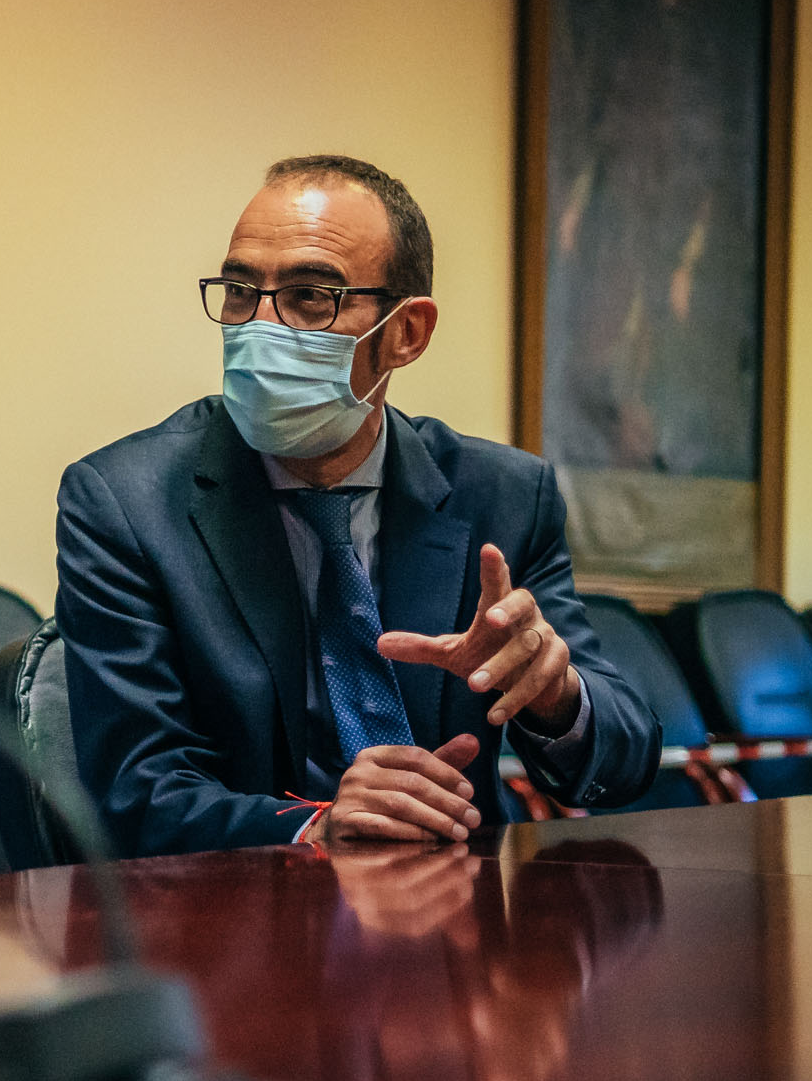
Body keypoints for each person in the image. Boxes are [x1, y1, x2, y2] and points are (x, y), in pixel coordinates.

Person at [56, 155, 659, 857]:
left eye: (311, 295)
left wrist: (555, 694)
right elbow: (135, 793)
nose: (261, 326)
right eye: (241, 290)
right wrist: (321, 824)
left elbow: (626, 766)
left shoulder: (501, 498)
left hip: (461, 923)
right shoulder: (125, 503)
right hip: (239, 923)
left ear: (406, 334)